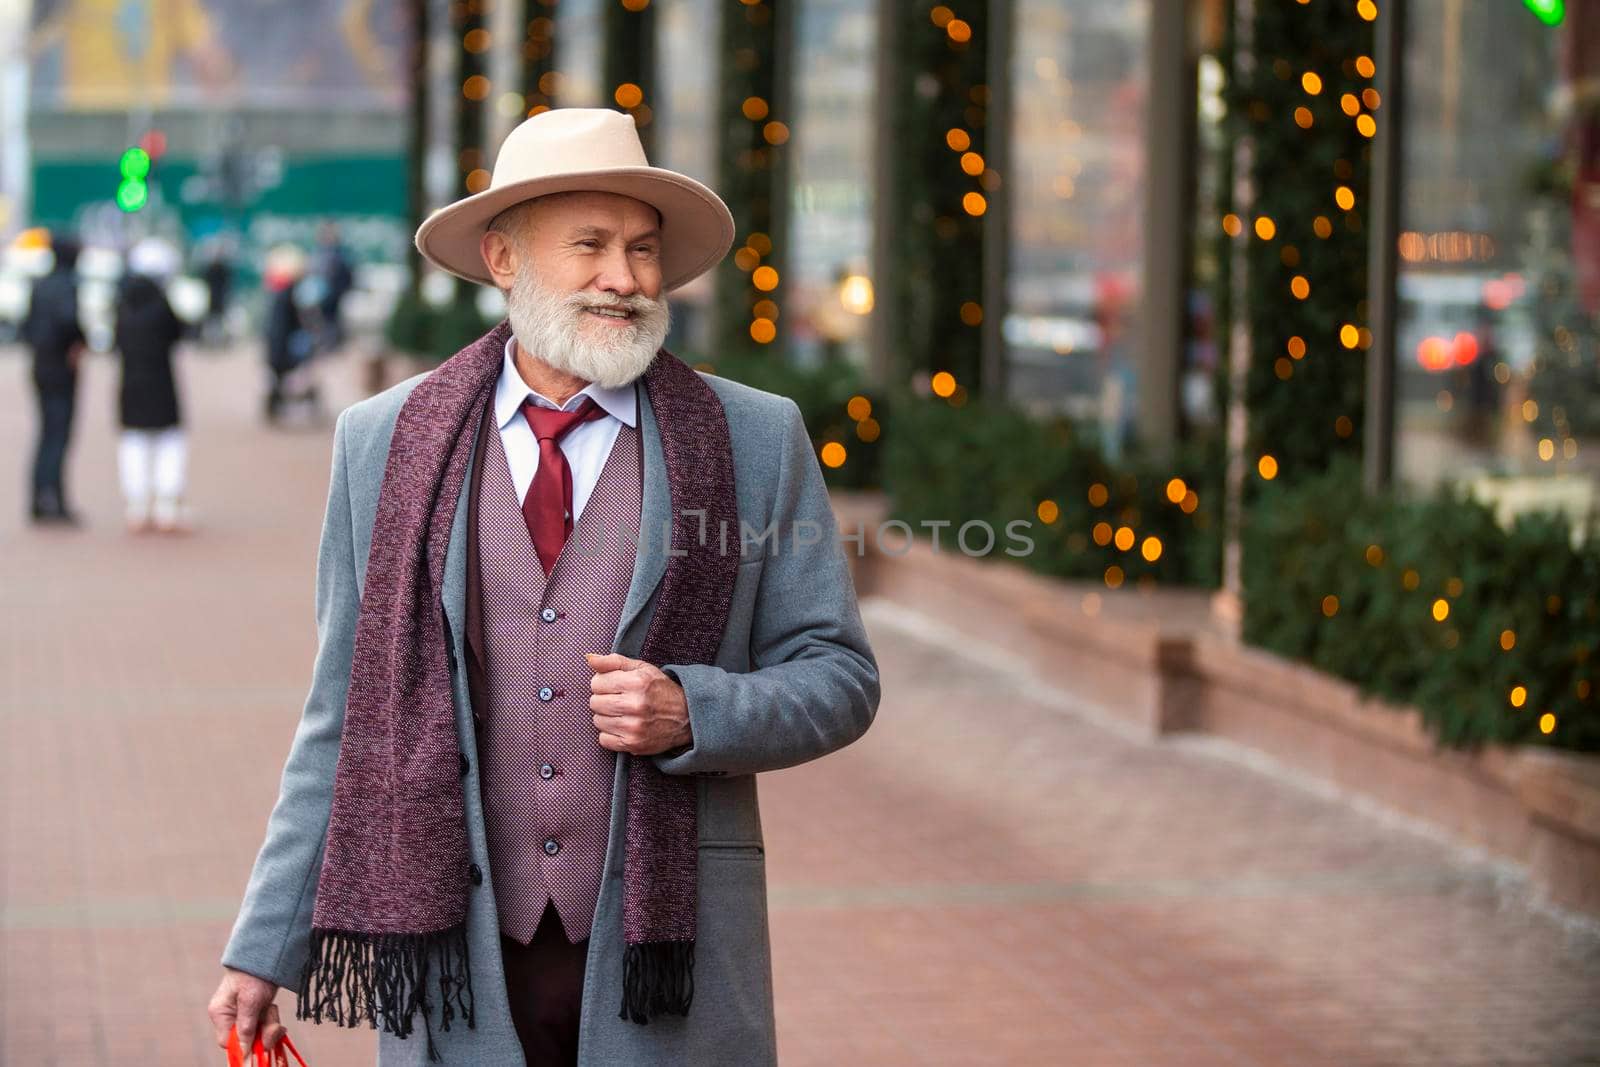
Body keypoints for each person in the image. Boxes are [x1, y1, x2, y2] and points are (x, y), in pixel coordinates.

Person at [209, 107, 880, 1066]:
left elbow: (841, 676)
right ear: (504, 258)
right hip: (463, 954)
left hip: (669, 954)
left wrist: (697, 710)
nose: (627, 277)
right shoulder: (384, 442)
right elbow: (342, 715)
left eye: (645, 250)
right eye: (591, 245)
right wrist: (263, 946)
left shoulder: (754, 438)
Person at [114, 239, 189, 533]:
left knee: (133, 441)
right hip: (161, 382)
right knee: (169, 440)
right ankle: (166, 505)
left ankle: (137, 505)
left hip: (130, 383)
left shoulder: (122, 306)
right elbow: (179, 333)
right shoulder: (161, 306)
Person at [21, 232, 87, 524]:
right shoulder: (66, 285)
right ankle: (55, 502)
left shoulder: (40, 284)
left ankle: (38, 497)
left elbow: (27, 326)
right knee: (58, 436)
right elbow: (68, 320)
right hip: (61, 367)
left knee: (46, 434)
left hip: (40, 365)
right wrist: (80, 341)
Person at [262, 245, 315, 423]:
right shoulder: (287, 295)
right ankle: (283, 402)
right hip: (281, 348)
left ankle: (277, 404)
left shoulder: (280, 295)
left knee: (278, 380)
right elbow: (292, 325)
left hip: (276, 347)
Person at [313, 221, 354, 351]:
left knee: (332, 323)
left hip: (334, 295)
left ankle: (332, 346)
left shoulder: (340, 254)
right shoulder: (320, 252)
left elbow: (348, 274)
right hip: (323, 295)